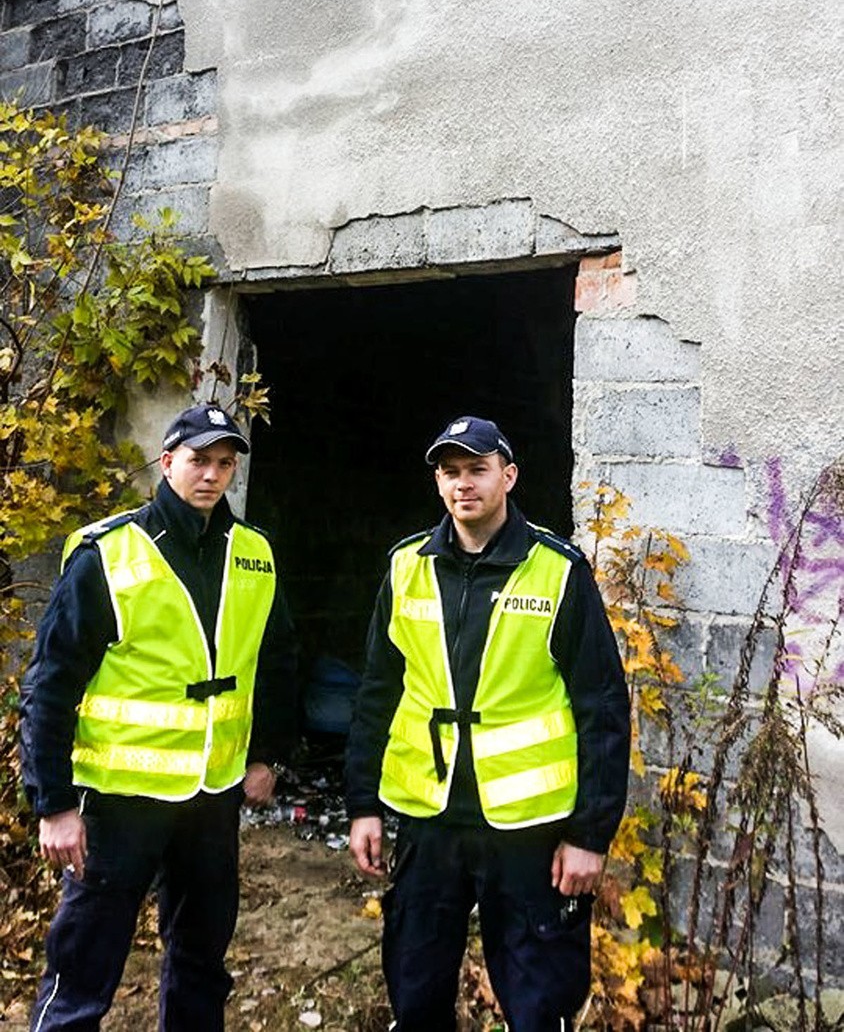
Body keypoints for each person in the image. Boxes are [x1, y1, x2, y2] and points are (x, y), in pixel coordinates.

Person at [346, 415, 631, 1032]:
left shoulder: (556, 570)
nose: (462, 484)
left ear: (508, 476)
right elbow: (377, 692)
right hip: (428, 820)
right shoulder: (406, 568)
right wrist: (363, 802)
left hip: (526, 831)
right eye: (450, 472)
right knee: (416, 995)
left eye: (477, 469)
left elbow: (603, 706)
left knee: (537, 1007)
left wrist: (590, 834)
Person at [20, 402, 298, 1032]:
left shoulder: (254, 554)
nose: (212, 475)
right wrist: (53, 804)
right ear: (168, 461)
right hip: (119, 800)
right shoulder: (108, 555)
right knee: (84, 963)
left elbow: (277, 660)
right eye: (200, 460)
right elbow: (50, 683)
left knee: (202, 959)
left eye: (225, 463)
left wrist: (268, 754)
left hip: (212, 794)